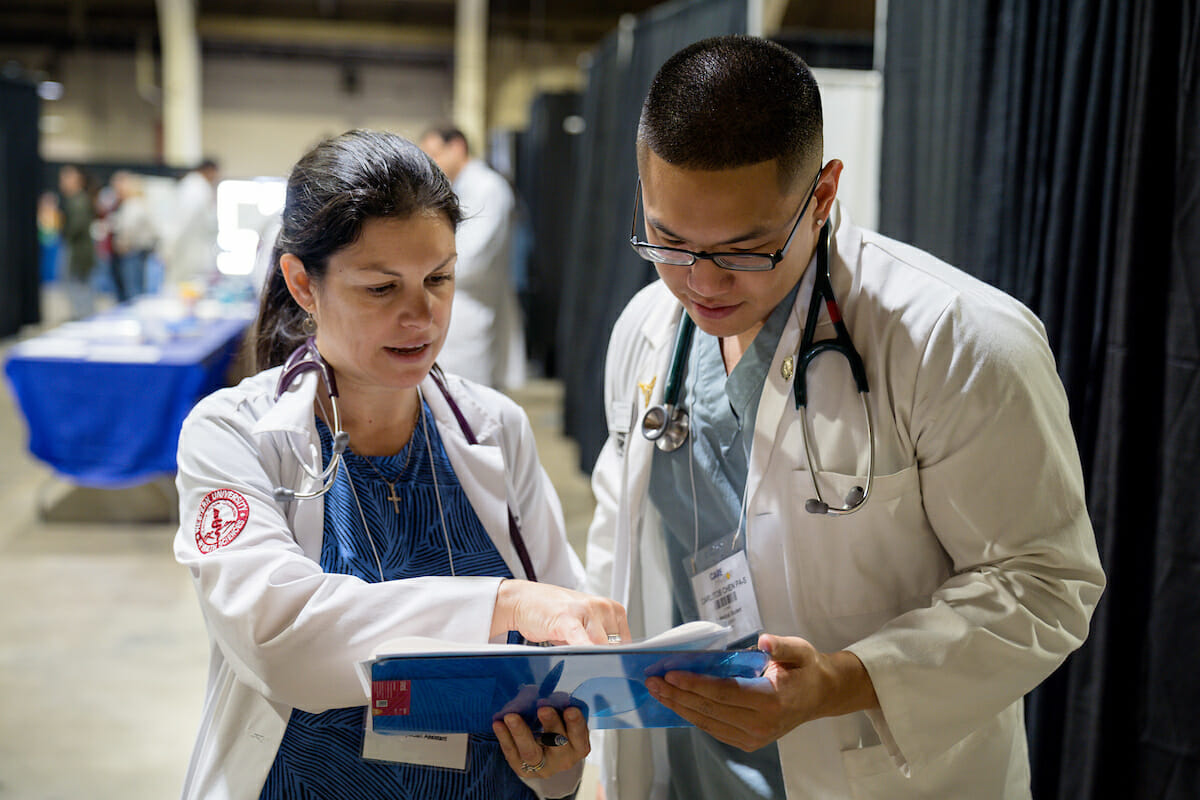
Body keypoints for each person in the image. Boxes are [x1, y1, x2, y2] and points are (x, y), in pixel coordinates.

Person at [585, 35, 1105, 799]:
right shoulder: (646, 328)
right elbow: (618, 537)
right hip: (685, 775)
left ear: (822, 194)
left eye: (745, 248)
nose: (700, 282)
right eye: (667, 240)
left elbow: (1044, 583)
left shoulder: (957, 342)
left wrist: (841, 682)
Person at [174, 129, 628, 800]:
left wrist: (555, 758)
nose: (421, 316)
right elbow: (280, 638)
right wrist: (499, 604)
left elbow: (562, 654)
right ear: (303, 283)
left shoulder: (494, 430)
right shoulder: (232, 435)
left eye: (439, 279)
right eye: (382, 288)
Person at [419, 126, 526, 390]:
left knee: (469, 407)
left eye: (435, 154)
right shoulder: (457, 189)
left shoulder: (489, 188)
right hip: (453, 312)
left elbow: (473, 258)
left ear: (457, 147)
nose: (432, 164)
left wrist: (423, 268)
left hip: (472, 313)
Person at [161, 157, 220, 291]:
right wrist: (169, 249)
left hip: (193, 252)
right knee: (183, 290)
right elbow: (182, 222)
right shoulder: (194, 188)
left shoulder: (198, 187)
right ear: (209, 171)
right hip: (186, 253)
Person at [108, 170, 159, 301]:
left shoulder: (133, 204)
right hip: (134, 252)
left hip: (132, 253)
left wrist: (123, 243)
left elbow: (129, 228)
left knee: (133, 292)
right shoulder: (130, 203)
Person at [57, 164, 97, 320]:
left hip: (78, 253)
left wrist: (64, 231)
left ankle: (84, 319)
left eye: (66, 178)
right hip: (78, 252)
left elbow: (75, 228)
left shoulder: (79, 201)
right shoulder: (77, 200)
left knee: (79, 289)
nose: (62, 182)